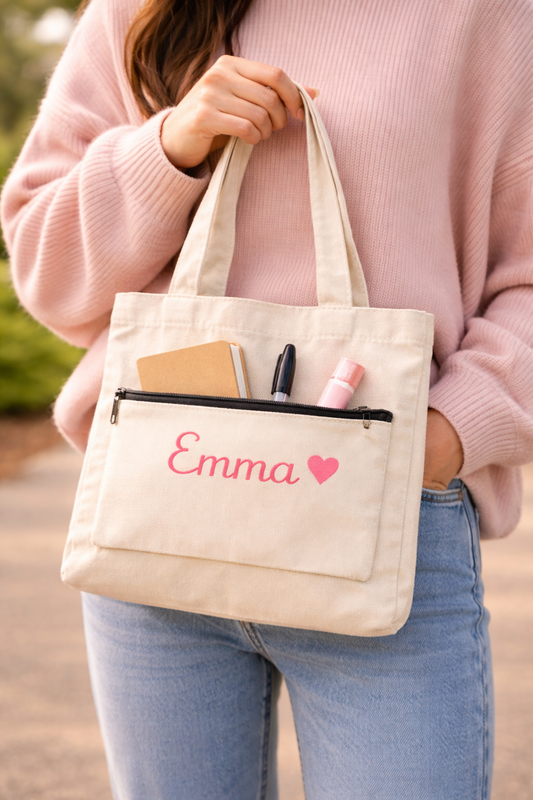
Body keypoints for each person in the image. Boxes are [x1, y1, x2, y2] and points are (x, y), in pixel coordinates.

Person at [2, 0, 533, 796]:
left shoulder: (489, 16)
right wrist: (168, 149)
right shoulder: (139, 12)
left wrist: (443, 435)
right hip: (159, 527)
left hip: (382, 526)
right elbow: (48, 272)